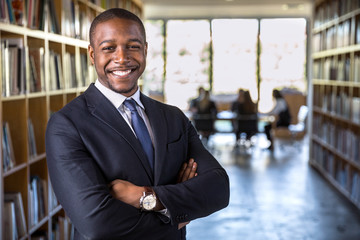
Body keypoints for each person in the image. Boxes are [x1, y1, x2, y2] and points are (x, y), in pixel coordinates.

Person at [45, 8, 229, 240]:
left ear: (145, 50)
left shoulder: (174, 117)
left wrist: (145, 196)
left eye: (132, 46)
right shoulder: (66, 125)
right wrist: (176, 213)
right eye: (108, 48)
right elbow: (97, 224)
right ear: (92, 54)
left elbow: (219, 189)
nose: (122, 58)